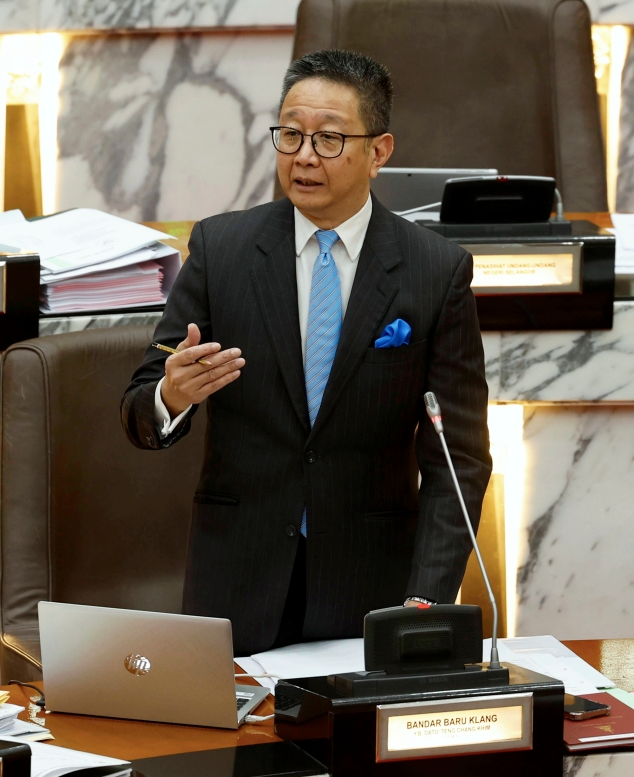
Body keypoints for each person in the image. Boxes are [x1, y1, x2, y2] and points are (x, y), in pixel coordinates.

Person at [121, 49, 491, 655]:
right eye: (290, 135)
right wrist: (171, 395)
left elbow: (459, 461)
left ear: (379, 152)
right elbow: (139, 409)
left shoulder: (434, 270)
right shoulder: (223, 250)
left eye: (328, 139)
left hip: (372, 586)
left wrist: (425, 601)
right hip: (236, 581)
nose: (303, 157)